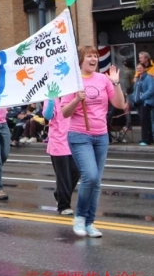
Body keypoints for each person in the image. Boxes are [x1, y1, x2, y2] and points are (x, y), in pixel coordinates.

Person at [61, 46, 124, 237]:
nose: (94, 58)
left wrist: (116, 83)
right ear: (80, 60)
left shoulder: (103, 79)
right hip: (79, 135)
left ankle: (89, 223)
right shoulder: (72, 81)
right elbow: (65, 113)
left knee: (96, 182)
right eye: (89, 56)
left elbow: (120, 104)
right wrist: (76, 100)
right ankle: (80, 217)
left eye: (95, 56)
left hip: (101, 136)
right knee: (90, 176)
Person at [43, 97, 79, 215]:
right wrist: (51, 100)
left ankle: (59, 194)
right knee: (64, 176)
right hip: (58, 141)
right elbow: (48, 116)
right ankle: (63, 206)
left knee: (76, 172)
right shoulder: (51, 96)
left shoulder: (71, 95)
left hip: (73, 140)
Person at [131, 63, 154, 146]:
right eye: (137, 68)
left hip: (146, 102)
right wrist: (133, 98)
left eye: (140, 68)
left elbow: (151, 90)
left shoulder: (148, 78)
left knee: (144, 120)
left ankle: (145, 139)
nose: (139, 69)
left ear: (145, 69)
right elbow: (135, 90)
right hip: (139, 103)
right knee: (144, 120)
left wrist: (142, 97)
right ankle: (149, 138)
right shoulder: (138, 79)